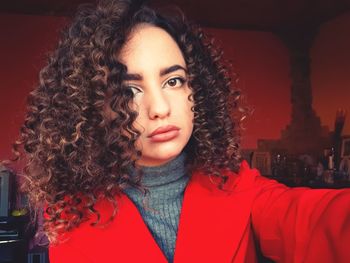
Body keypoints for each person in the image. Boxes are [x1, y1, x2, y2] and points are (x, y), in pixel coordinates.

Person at [8, 0, 350, 262]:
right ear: (95, 107)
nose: (159, 108)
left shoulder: (237, 185)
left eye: (173, 80)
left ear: (195, 90)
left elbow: (318, 220)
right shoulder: (72, 217)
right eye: (129, 90)